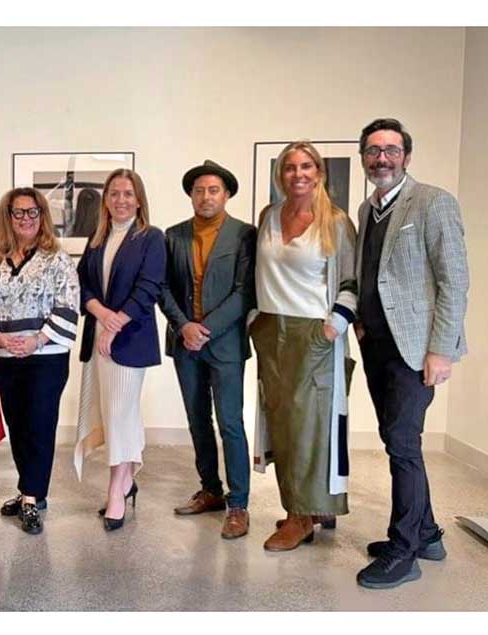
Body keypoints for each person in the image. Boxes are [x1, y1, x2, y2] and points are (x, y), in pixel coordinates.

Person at [353, 119, 469, 589]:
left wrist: (441, 350)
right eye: (373, 150)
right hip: (377, 346)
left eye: (391, 150)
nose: (382, 158)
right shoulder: (366, 208)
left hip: (417, 349)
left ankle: (404, 552)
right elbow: (372, 272)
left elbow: (454, 281)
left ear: (406, 156)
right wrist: (361, 321)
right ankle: (427, 534)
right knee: (397, 439)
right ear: (364, 157)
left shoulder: (433, 202)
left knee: (402, 444)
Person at [250, 141, 357, 552]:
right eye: (290, 167)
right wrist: (255, 319)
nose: (298, 174)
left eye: (306, 166)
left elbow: (350, 283)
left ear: (319, 173)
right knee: (282, 425)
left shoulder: (336, 222)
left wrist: (332, 328)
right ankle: (307, 507)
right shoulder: (269, 216)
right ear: (281, 174)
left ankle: (300, 517)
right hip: (270, 329)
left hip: (313, 332)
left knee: (311, 426)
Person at [159, 160, 256, 539]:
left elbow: (245, 291)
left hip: (225, 343)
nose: (205, 197)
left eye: (213, 190)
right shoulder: (174, 235)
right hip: (185, 343)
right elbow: (163, 287)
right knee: (198, 420)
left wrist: (207, 329)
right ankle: (210, 490)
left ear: (226, 194)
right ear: (191, 195)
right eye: (199, 190)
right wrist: (184, 326)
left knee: (230, 422)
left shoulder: (244, 235)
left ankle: (239, 504)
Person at [0, 187, 79, 535]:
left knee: (39, 425)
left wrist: (38, 339)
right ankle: (27, 490)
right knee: (18, 425)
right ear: (8, 217)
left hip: (45, 356)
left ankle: (32, 499)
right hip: (5, 355)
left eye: (32, 212)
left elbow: (68, 305)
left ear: (42, 216)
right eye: (18, 212)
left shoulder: (57, 259)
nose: (25, 219)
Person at [73, 168, 166, 531]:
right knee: (113, 413)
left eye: (128, 193)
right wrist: (102, 315)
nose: (120, 200)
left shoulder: (151, 238)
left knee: (120, 413)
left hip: (130, 339)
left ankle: (116, 489)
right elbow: (81, 284)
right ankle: (127, 481)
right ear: (105, 200)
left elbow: (149, 288)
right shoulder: (97, 238)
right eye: (114, 193)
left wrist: (115, 324)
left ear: (139, 200)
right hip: (99, 334)